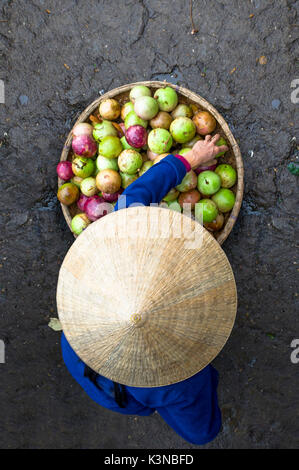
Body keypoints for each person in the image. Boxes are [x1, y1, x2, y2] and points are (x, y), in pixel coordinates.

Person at [61, 134, 228, 446]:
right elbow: (201, 433)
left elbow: (135, 196)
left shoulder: (102, 273)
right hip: (137, 396)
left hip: (77, 358)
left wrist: (189, 159)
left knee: (131, 402)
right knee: (177, 414)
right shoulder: (181, 379)